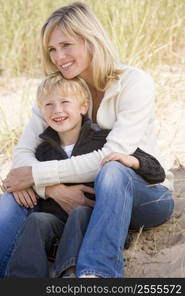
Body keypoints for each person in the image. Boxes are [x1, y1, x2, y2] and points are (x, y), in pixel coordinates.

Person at [1, 2, 174, 278]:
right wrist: (51, 189)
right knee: (13, 198)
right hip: (82, 196)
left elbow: (110, 156)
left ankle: (98, 276)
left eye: (66, 45)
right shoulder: (57, 91)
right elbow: (24, 152)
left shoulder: (134, 83)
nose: (59, 57)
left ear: (90, 40)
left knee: (114, 170)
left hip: (143, 193)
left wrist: (35, 175)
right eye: (52, 50)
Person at [5, 71, 165, 278]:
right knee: (37, 220)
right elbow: (19, 177)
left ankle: (71, 274)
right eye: (49, 105)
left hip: (92, 223)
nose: (57, 110)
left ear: (83, 107)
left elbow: (156, 171)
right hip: (57, 225)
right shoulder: (42, 152)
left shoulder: (102, 141)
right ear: (41, 113)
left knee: (81, 213)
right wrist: (29, 185)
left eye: (65, 102)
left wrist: (133, 161)